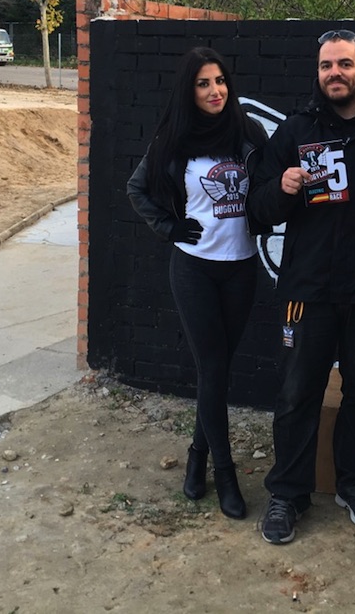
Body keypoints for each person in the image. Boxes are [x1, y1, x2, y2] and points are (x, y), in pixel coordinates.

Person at [247, 29, 355, 544]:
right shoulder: (296, 130)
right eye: (326, 65)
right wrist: (282, 189)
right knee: (297, 394)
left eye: (344, 64)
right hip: (306, 290)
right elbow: (258, 210)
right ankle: (288, 494)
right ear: (317, 73)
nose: (334, 73)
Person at [126, 46, 268, 520]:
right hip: (194, 268)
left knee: (218, 371)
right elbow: (136, 188)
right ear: (190, 91)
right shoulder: (174, 138)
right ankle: (224, 474)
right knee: (212, 367)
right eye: (203, 83)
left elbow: (267, 186)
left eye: (220, 81)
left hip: (242, 266)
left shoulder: (249, 133)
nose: (215, 91)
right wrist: (168, 227)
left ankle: (197, 456)